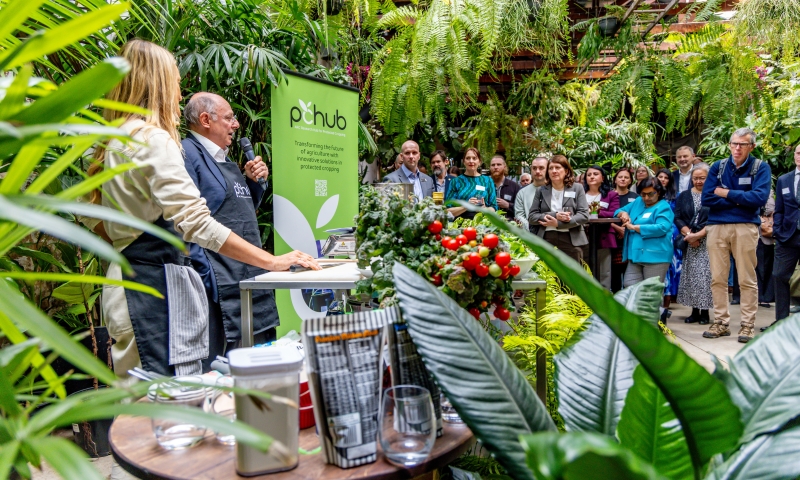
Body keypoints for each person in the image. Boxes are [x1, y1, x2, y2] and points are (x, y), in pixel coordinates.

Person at [87, 40, 318, 377]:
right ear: (160, 85)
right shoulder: (154, 140)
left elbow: (97, 223)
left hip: (121, 287)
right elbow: (196, 222)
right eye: (177, 84)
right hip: (152, 295)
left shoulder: (109, 141)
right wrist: (273, 261)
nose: (179, 96)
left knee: (136, 404)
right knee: (167, 407)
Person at [181, 92, 277, 367]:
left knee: (262, 365)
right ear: (205, 120)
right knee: (227, 371)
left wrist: (254, 183)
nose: (235, 125)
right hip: (223, 288)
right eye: (229, 118)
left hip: (251, 279)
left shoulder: (223, 159)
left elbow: (242, 213)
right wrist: (207, 278)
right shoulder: (187, 155)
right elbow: (189, 222)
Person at [701, 127, 771, 343]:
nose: (737, 148)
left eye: (742, 144)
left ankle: (747, 325)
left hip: (745, 227)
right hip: (717, 227)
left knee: (747, 278)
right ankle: (721, 322)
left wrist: (726, 193)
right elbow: (707, 199)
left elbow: (759, 199)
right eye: (734, 143)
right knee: (718, 278)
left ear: (752, 146)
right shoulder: (718, 167)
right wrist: (741, 199)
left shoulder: (760, 168)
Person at [614, 177, 674, 290]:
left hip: (655, 256)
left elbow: (662, 227)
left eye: (650, 194)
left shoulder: (663, 207)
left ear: (659, 192)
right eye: (643, 194)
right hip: (635, 255)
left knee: (650, 292)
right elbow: (617, 211)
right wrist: (623, 214)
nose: (646, 197)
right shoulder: (638, 201)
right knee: (630, 286)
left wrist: (635, 227)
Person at [528, 155, 589, 264]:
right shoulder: (541, 190)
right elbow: (532, 217)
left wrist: (558, 223)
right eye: (551, 168)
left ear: (566, 170)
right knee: (548, 276)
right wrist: (555, 215)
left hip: (571, 239)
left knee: (571, 277)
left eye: (557, 167)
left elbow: (584, 215)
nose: (554, 171)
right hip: (546, 238)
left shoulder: (577, 188)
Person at [675, 164, 713, 325]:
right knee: (690, 277)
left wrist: (698, 235)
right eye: (695, 178)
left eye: (702, 178)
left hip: (708, 242)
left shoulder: (713, 195)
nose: (698, 181)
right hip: (690, 243)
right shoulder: (684, 195)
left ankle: (705, 312)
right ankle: (694, 311)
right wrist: (689, 235)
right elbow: (677, 217)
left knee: (705, 277)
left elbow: (715, 218)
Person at [770, 144, 800, 330]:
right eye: (798, 153)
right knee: (779, 275)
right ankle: (781, 321)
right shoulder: (784, 180)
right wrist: (778, 230)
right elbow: (779, 209)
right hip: (787, 236)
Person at [583, 165, 620, 290]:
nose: (592, 176)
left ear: (602, 178)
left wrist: (595, 212)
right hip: (583, 236)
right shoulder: (580, 194)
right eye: (589, 175)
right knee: (585, 269)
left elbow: (614, 212)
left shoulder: (611, 195)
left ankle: (604, 302)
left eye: (595, 174)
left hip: (603, 236)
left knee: (604, 272)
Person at [656, 168, 681, 322]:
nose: (663, 179)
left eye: (666, 177)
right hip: (657, 235)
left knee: (671, 269)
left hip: (672, 234)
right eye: (660, 177)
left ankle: (667, 305)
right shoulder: (651, 194)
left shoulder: (675, 197)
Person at [445, 147, 497, 219]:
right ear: (464, 161)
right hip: (460, 225)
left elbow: (494, 208)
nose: (471, 161)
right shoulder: (455, 182)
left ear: (479, 162)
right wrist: (466, 206)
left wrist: (483, 209)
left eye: (474, 158)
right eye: (468, 158)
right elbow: (448, 211)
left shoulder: (488, 181)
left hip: (483, 225)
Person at [611, 168, 639, 292]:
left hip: (629, 238)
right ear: (615, 180)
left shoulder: (636, 198)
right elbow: (604, 215)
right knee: (614, 272)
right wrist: (618, 229)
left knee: (629, 273)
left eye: (626, 177)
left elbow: (637, 216)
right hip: (611, 238)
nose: (623, 179)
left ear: (630, 181)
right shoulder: (609, 195)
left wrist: (626, 230)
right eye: (620, 177)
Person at [515, 157, 548, 230]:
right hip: (529, 234)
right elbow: (519, 216)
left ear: (548, 169)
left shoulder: (555, 189)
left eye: (541, 168)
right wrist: (530, 231)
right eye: (534, 168)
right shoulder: (522, 193)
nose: (537, 171)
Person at [756, 190, 776, 312]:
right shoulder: (750, 186)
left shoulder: (768, 190)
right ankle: (758, 296)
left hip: (766, 235)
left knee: (767, 266)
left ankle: (766, 297)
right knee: (757, 267)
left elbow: (770, 208)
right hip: (753, 233)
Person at [490, 155, 521, 221]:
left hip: (508, 226)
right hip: (487, 226)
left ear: (504, 167)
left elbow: (521, 209)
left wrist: (508, 205)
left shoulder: (514, 187)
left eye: (498, 164)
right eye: (493, 165)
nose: (495, 167)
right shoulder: (486, 185)